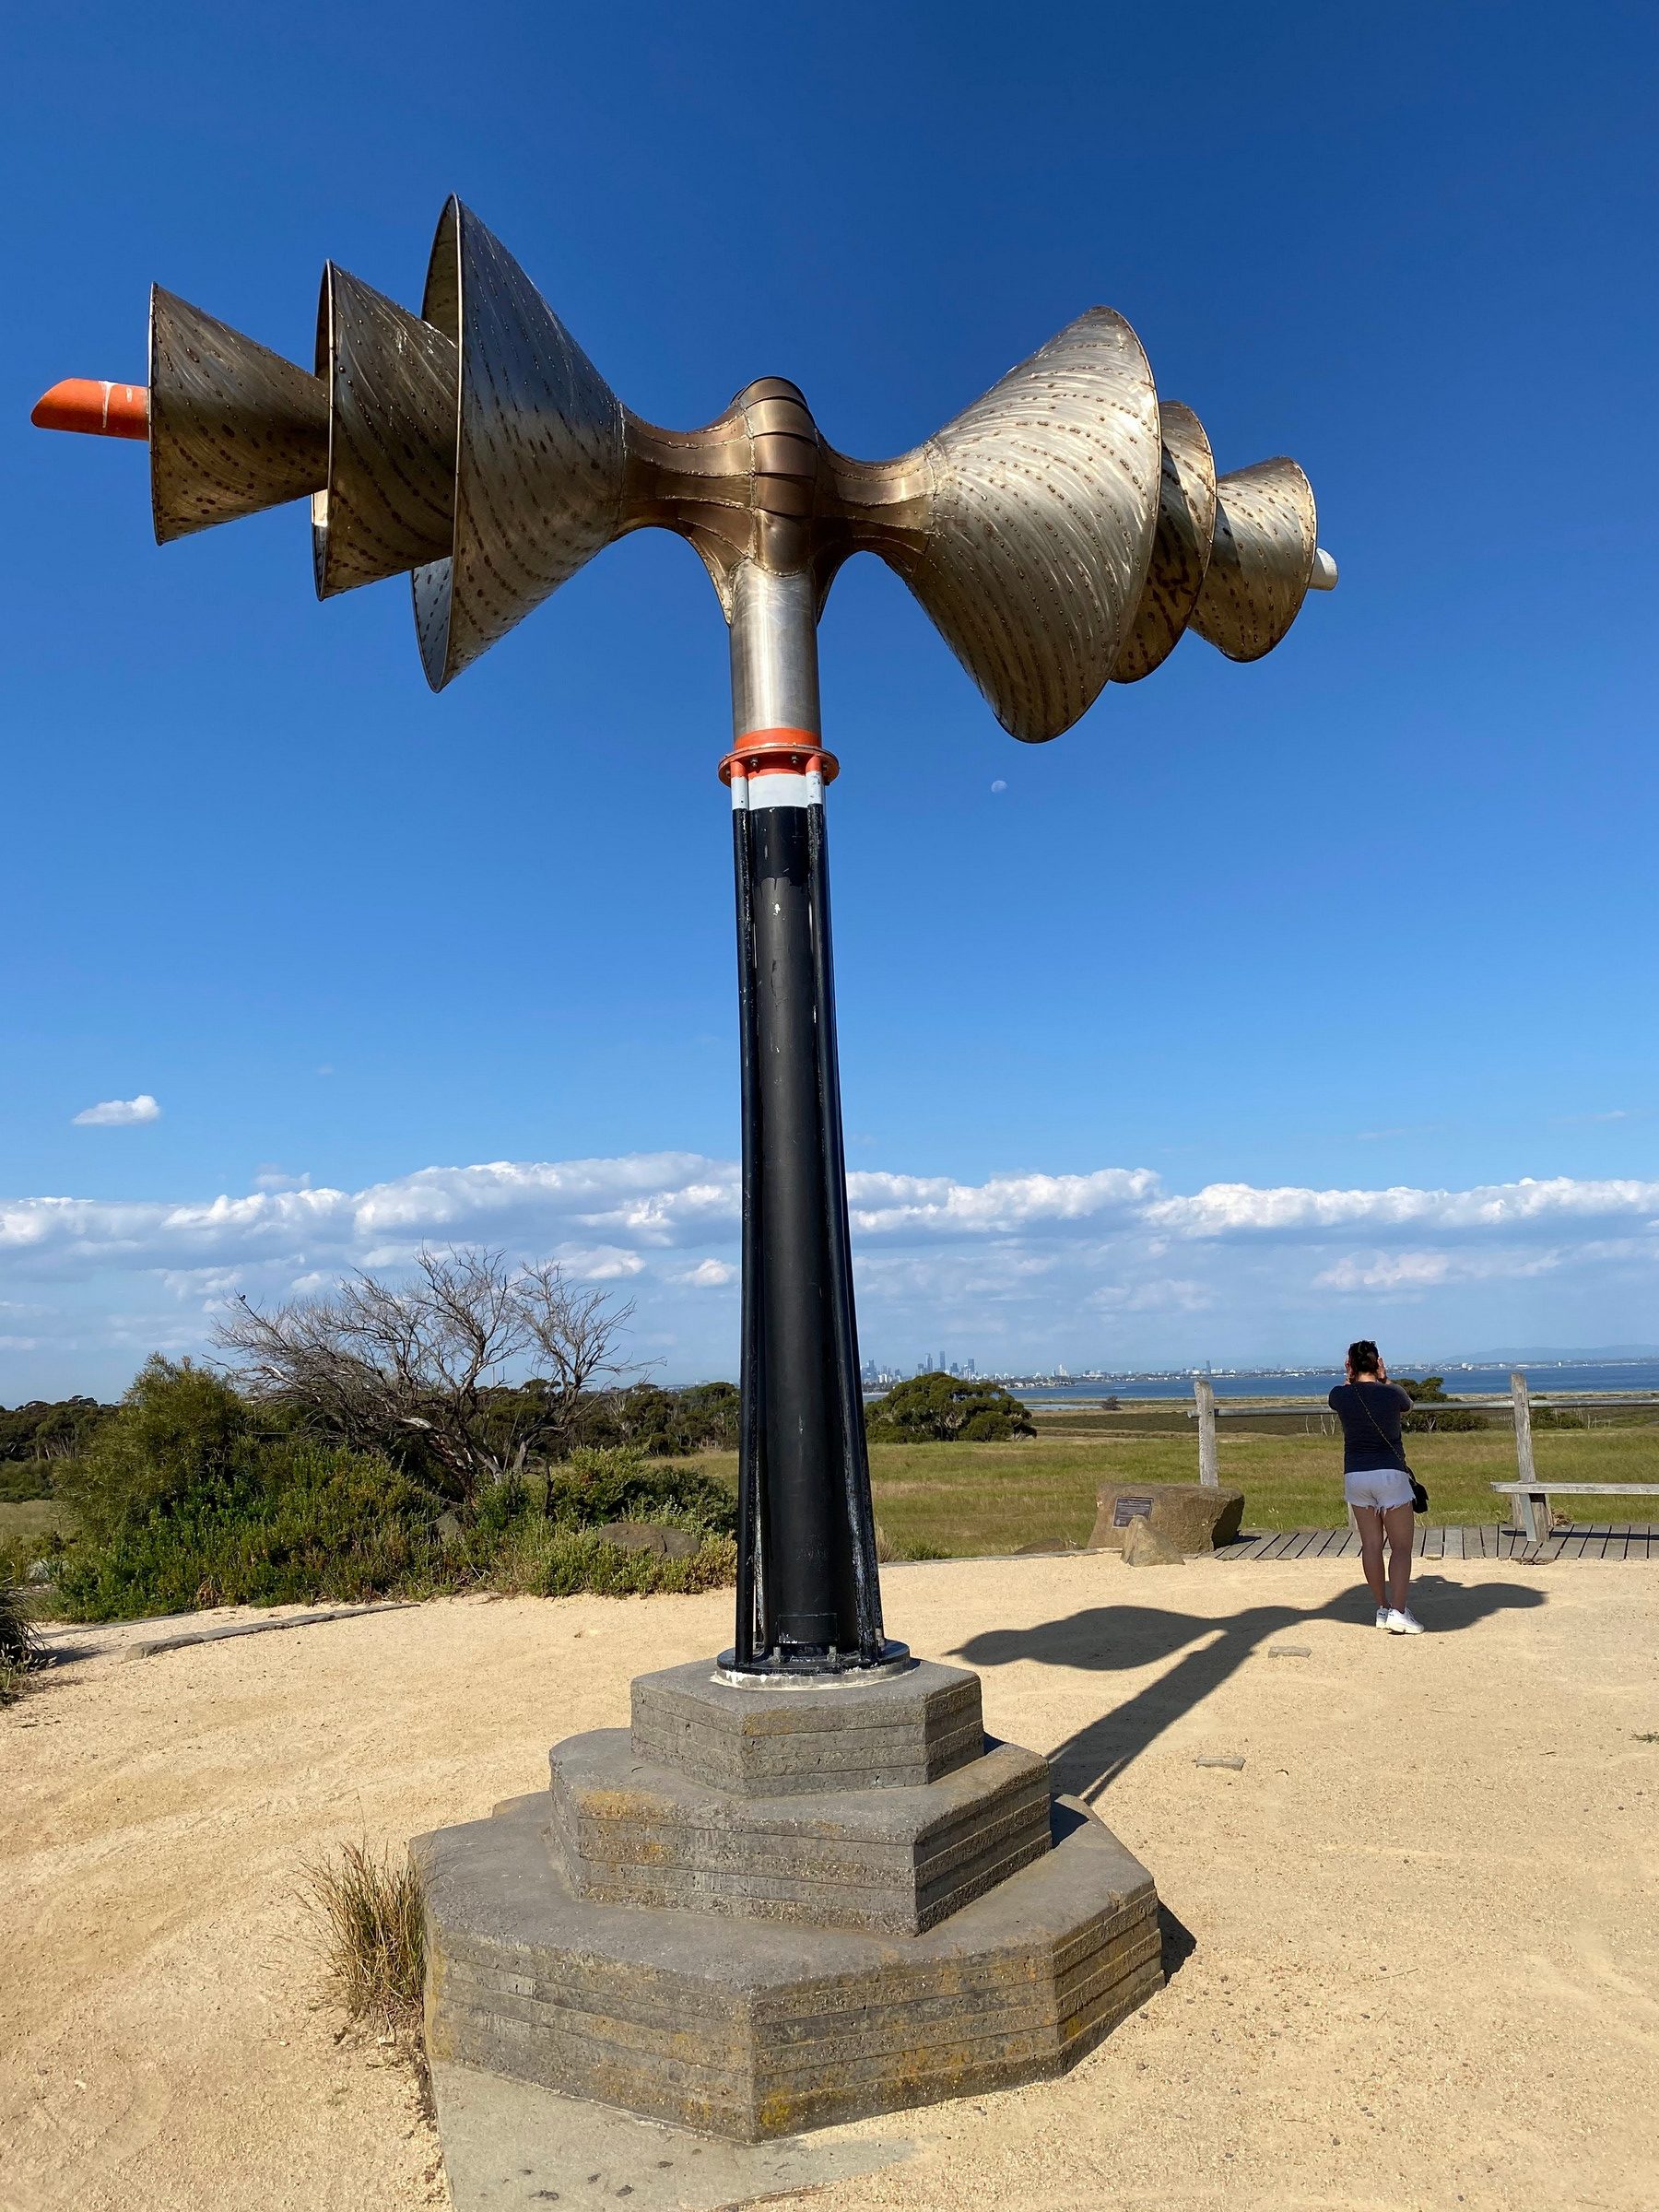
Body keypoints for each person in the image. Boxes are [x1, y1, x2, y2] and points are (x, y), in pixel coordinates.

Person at [1328, 1340, 1424, 1634]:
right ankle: (1398, 1611)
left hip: (1356, 1475)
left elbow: (1343, 1391)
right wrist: (1386, 1378)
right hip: (1390, 1475)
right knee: (1401, 1546)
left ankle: (1382, 1607)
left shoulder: (1339, 1396)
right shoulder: (1391, 1394)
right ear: (1378, 1363)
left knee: (1371, 1544)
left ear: (1350, 1365)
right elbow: (1408, 1405)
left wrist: (1350, 1376)